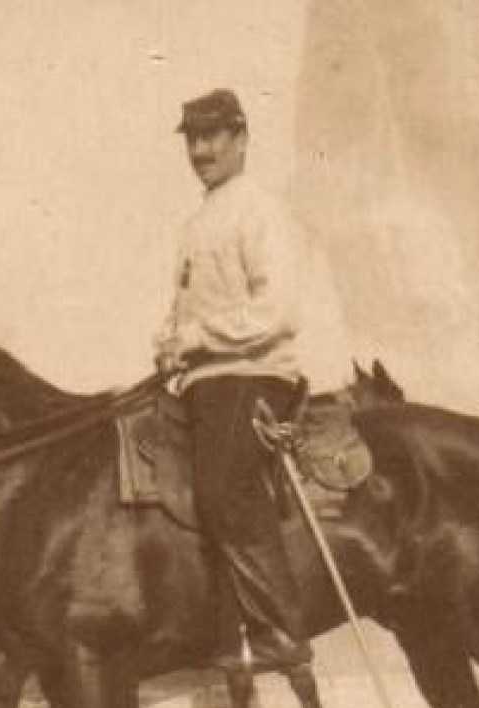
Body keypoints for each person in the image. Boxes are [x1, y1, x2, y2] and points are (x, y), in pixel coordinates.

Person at [154, 88, 313, 671]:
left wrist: (195, 340)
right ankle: (214, 627)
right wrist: (168, 342)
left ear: (241, 139)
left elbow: (279, 313)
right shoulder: (195, 224)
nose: (201, 150)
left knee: (221, 490)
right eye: (193, 139)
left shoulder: (261, 212)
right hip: (202, 380)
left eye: (212, 136)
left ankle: (278, 627)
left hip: (254, 374)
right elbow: (185, 311)